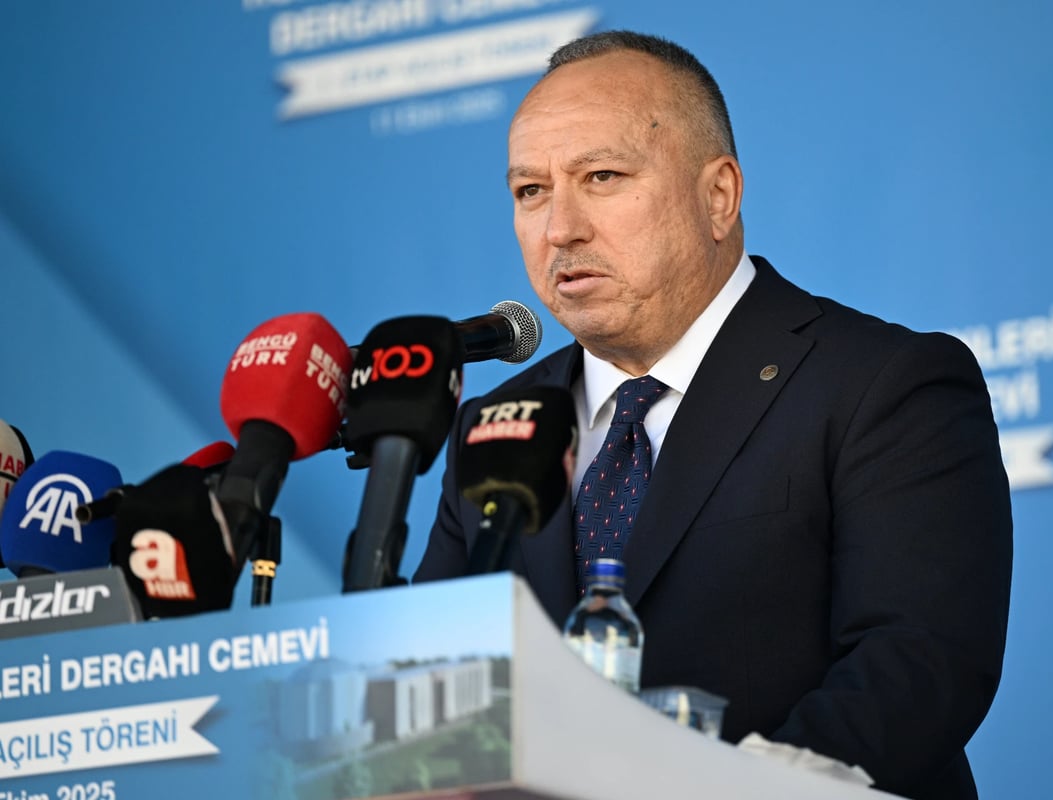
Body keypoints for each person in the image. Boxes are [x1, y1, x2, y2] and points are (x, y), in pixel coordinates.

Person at [415, 30, 1012, 800]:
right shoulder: (501, 422)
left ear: (719, 196)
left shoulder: (882, 383)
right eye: (531, 191)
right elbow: (433, 694)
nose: (560, 228)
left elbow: (916, 669)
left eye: (601, 176)